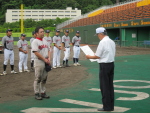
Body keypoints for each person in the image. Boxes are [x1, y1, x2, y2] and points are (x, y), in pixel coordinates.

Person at [86, 27, 116, 111]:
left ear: (100, 34)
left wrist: (89, 57)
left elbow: (97, 56)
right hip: (111, 64)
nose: (98, 36)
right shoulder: (112, 41)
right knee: (110, 86)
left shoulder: (102, 42)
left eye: (98, 35)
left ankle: (106, 106)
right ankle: (111, 106)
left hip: (104, 65)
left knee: (104, 86)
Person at [32, 26, 51, 100]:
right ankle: (36, 93)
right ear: (37, 33)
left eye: (43, 31)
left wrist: (49, 58)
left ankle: (43, 92)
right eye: (41, 32)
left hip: (46, 61)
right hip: (39, 61)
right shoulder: (35, 41)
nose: (43, 33)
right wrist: (44, 59)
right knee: (38, 78)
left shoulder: (45, 41)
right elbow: (36, 52)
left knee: (44, 78)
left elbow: (49, 49)